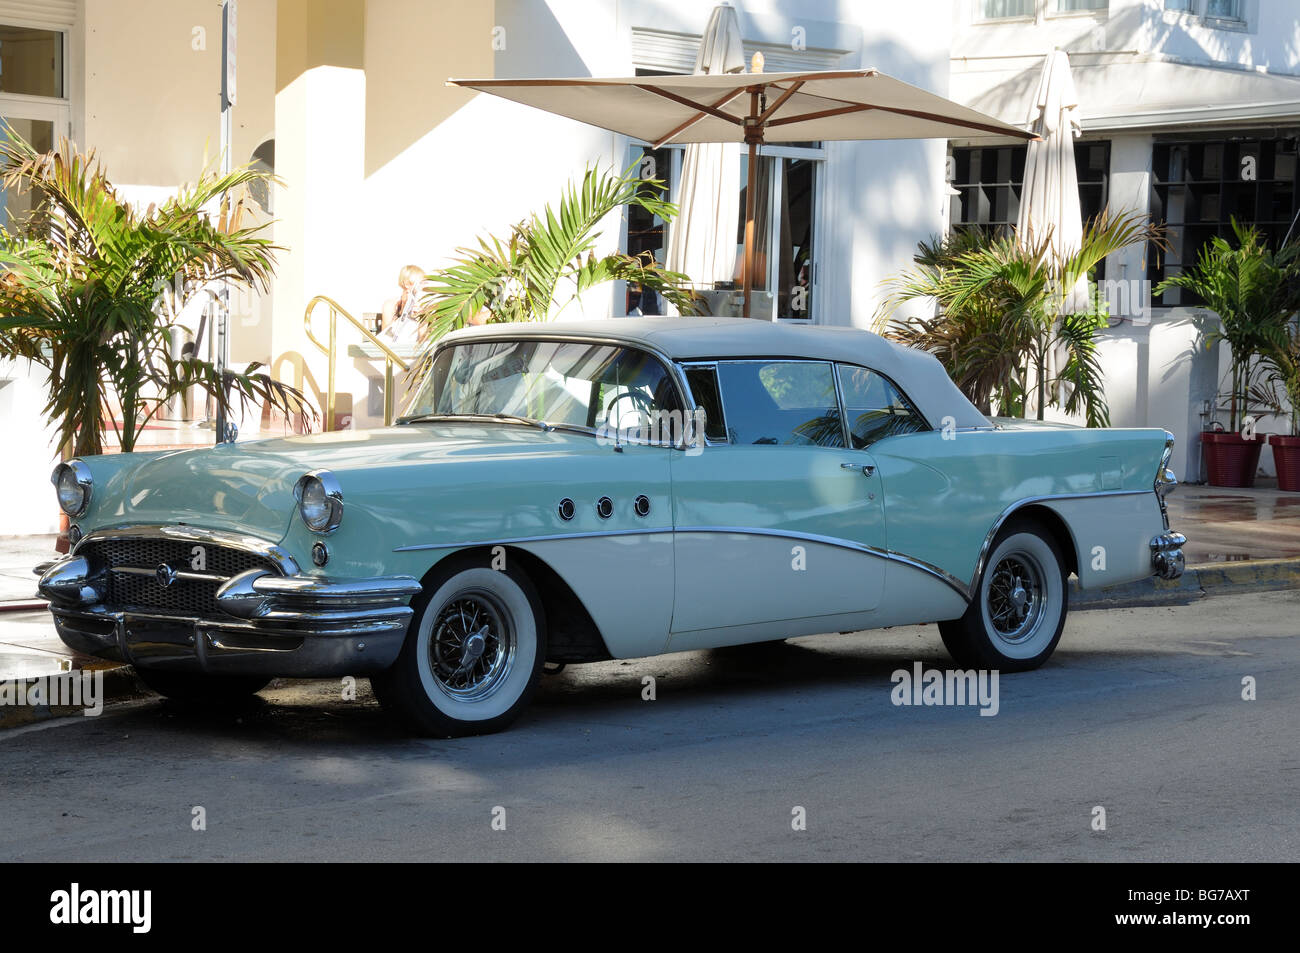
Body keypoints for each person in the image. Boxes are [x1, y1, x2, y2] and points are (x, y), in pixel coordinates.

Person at [379, 264, 426, 346]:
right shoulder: (390, 305)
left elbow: (424, 338)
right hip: (394, 347)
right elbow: (386, 336)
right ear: (406, 284)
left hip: (416, 347)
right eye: (419, 283)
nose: (422, 286)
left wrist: (421, 319)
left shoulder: (423, 305)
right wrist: (403, 309)